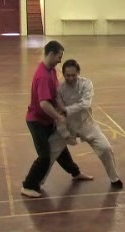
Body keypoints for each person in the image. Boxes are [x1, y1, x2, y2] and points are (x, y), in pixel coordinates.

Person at [21, 41, 92, 198]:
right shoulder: (43, 76)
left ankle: (75, 172)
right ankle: (28, 185)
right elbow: (44, 104)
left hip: (47, 120)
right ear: (51, 54)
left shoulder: (51, 70)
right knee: (45, 156)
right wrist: (59, 117)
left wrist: (63, 108)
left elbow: (54, 95)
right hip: (37, 122)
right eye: (59, 57)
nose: (61, 60)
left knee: (60, 149)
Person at [41, 59, 123, 189]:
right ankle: (38, 183)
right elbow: (58, 114)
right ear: (64, 75)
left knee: (105, 148)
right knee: (49, 154)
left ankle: (114, 178)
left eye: (73, 75)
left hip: (87, 125)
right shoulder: (60, 89)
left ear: (78, 72)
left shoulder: (86, 84)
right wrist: (65, 133)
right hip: (67, 125)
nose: (71, 78)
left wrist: (66, 109)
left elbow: (86, 104)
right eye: (67, 75)